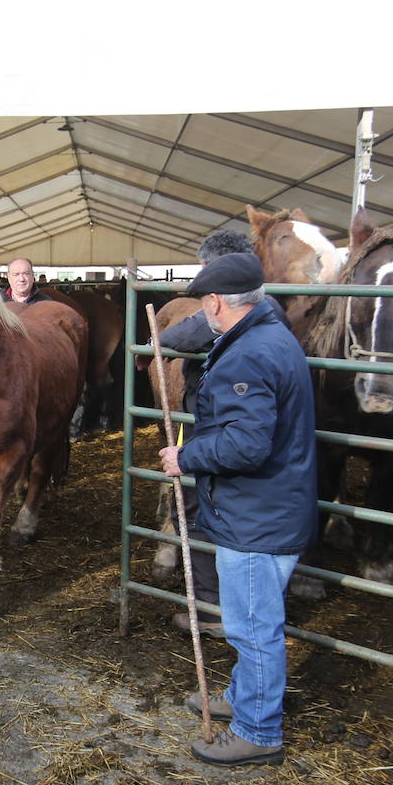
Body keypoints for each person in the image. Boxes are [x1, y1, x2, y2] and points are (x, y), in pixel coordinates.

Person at [157, 253, 316, 767]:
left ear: (215, 302)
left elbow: (246, 445)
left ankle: (258, 730)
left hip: (256, 516)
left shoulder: (248, 355)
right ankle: (243, 699)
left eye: (207, 308)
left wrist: (186, 456)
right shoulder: (269, 335)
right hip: (266, 506)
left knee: (253, 627)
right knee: (252, 618)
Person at [144, 231, 290, 640]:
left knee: (201, 510)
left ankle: (214, 611)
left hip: (221, 438)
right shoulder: (271, 315)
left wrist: (153, 345)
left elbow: (189, 333)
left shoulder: (242, 322)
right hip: (232, 437)